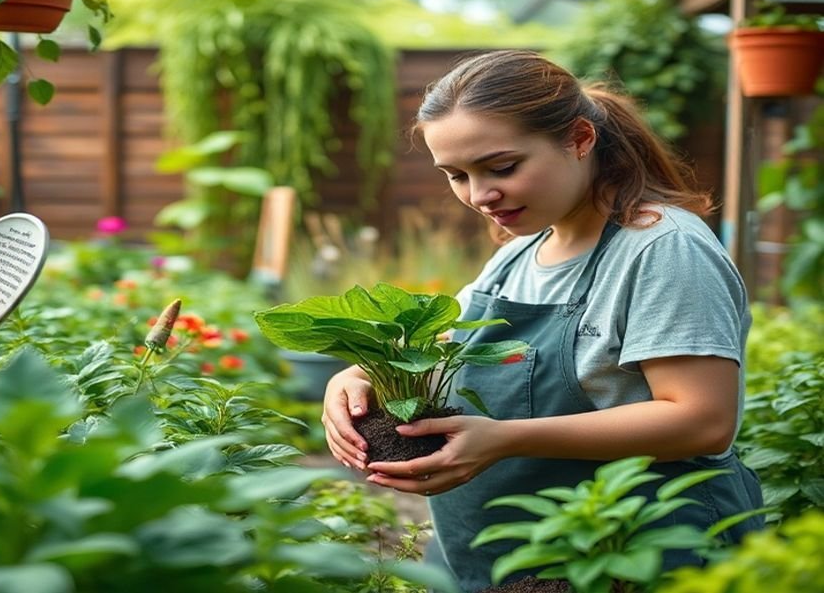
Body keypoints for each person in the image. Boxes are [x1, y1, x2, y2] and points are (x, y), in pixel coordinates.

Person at [321, 49, 764, 592]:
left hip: (635, 551)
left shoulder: (660, 248)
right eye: (456, 175)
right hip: (509, 556)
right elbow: (440, 346)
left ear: (579, 139)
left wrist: (505, 439)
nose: (480, 196)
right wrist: (357, 376)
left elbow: (702, 421)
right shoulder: (517, 255)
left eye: (502, 167)